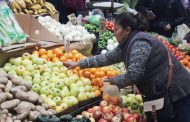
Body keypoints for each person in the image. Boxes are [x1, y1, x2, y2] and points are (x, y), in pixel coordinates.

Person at [63, 12, 190, 122]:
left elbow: (134, 74)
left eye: (116, 30)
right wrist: (79, 63)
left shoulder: (140, 43)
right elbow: (107, 57)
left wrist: (113, 81)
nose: (114, 34)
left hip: (177, 92)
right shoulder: (127, 43)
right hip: (158, 91)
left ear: (127, 30)